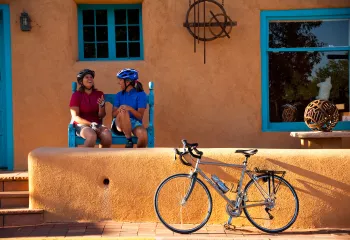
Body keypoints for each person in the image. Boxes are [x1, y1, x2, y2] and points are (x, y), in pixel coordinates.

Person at [69, 69, 112, 148]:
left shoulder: (99, 94)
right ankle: (83, 159)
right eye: (87, 77)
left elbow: (101, 115)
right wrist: (90, 124)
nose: (90, 79)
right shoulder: (76, 95)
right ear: (81, 82)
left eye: (91, 77)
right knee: (91, 136)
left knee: (107, 136)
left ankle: (101, 159)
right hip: (82, 125)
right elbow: (75, 117)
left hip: (97, 124)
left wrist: (101, 106)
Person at [112, 68, 148, 148]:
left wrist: (130, 108)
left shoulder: (141, 95)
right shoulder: (119, 95)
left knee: (143, 135)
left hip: (134, 123)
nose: (119, 82)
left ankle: (138, 157)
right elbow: (114, 114)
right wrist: (120, 109)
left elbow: (140, 116)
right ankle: (129, 140)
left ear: (127, 82)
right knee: (123, 111)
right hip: (119, 123)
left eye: (120, 80)